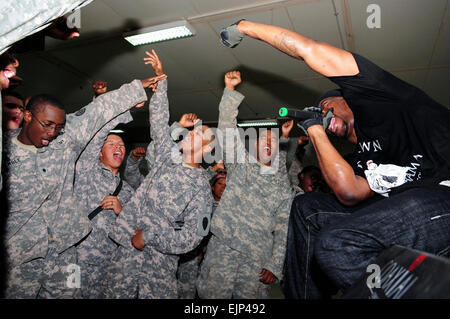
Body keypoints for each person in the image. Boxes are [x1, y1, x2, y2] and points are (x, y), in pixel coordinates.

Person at [219, 19, 450, 298]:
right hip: (400, 206)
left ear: (348, 100)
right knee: (307, 208)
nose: (326, 116)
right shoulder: (360, 159)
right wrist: (315, 128)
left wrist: (245, 27)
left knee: (336, 243)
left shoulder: (385, 100)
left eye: (326, 108)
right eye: (320, 113)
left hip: (441, 192)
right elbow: (349, 193)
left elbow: (310, 50)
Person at [0, 66, 165, 298]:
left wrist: (138, 88)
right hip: (20, 256)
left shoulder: (63, 143)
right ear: (27, 116)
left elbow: (97, 111)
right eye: (47, 125)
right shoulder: (4, 151)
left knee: (69, 293)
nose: (52, 133)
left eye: (58, 127)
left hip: (64, 251)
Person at [101, 50, 215, 299]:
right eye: (193, 130)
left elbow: (192, 238)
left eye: (200, 134)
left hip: (157, 270)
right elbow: (159, 121)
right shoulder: (167, 158)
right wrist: (161, 79)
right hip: (124, 255)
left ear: (206, 149)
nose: (192, 133)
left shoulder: (202, 189)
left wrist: (151, 236)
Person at [196, 70, 295, 299]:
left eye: (273, 139)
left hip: (257, 258)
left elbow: (283, 227)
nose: (268, 142)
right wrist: (230, 91)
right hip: (223, 249)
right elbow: (228, 130)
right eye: (263, 138)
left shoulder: (281, 184)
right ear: (254, 145)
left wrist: (275, 264)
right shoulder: (240, 163)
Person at [73, 82, 135, 299]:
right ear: (99, 153)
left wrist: (122, 211)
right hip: (78, 261)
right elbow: (92, 137)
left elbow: (136, 229)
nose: (118, 147)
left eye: (121, 145)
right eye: (111, 144)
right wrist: (100, 99)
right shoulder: (87, 173)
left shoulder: (127, 191)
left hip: (111, 264)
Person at [177, 169, 227, 299]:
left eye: (226, 185)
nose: (223, 187)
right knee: (186, 287)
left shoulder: (231, 210)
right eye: (220, 183)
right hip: (193, 252)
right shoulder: (203, 203)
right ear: (212, 187)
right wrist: (200, 251)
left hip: (215, 258)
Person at [123, 113, 202, 190]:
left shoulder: (198, 179)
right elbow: (157, 149)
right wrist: (178, 126)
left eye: (197, 135)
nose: (190, 134)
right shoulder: (152, 184)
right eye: (191, 133)